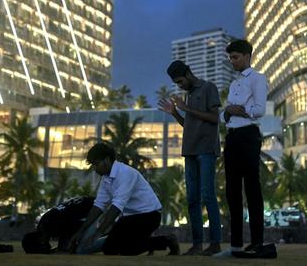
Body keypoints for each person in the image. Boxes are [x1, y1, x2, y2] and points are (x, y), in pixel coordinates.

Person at [68, 142, 179, 256]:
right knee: (109, 249)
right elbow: (99, 205)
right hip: (128, 218)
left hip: (149, 216)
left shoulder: (125, 173)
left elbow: (116, 207)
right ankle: (143, 240)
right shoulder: (106, 179)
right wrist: (80, 231)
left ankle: (168, 240)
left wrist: (98, 233)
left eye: (96, 164)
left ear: (106, 160)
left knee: (128, 250)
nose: (95, 169)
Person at [158, 60, 222, 256]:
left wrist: (186, 108)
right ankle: (197, 244)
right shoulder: (188, 95)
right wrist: (175, 113)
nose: (179, 85)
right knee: (192, 199)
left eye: (180, 81)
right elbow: (190, 125)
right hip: (190, 152)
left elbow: (214, 118)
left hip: (206, 150)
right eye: (176, 83)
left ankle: (215, 243)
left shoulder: (208, 88)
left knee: (207, 195)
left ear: (188, 73)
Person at [216, 39, 267, 256]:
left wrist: (237, 110)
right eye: (230, 58)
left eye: (235, 57)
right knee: (232, 191)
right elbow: (222, 115)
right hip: (232, 136)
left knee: (252, 189)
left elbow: (260, 109)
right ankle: (235, 244)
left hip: (248, 135)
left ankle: (257, 242)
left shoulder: (258, 78)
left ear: (247, 56)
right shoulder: (234, 84)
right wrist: (229, 111)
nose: (232, 62)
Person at [22, 196, 95, 254]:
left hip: (97, 210)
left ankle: (105, 241)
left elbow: (67, 240)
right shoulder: (45, 222)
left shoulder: (50, 226)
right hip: (94, 205)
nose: (49, 246)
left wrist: (61, 249)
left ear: (41, 241)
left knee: (81, 250)